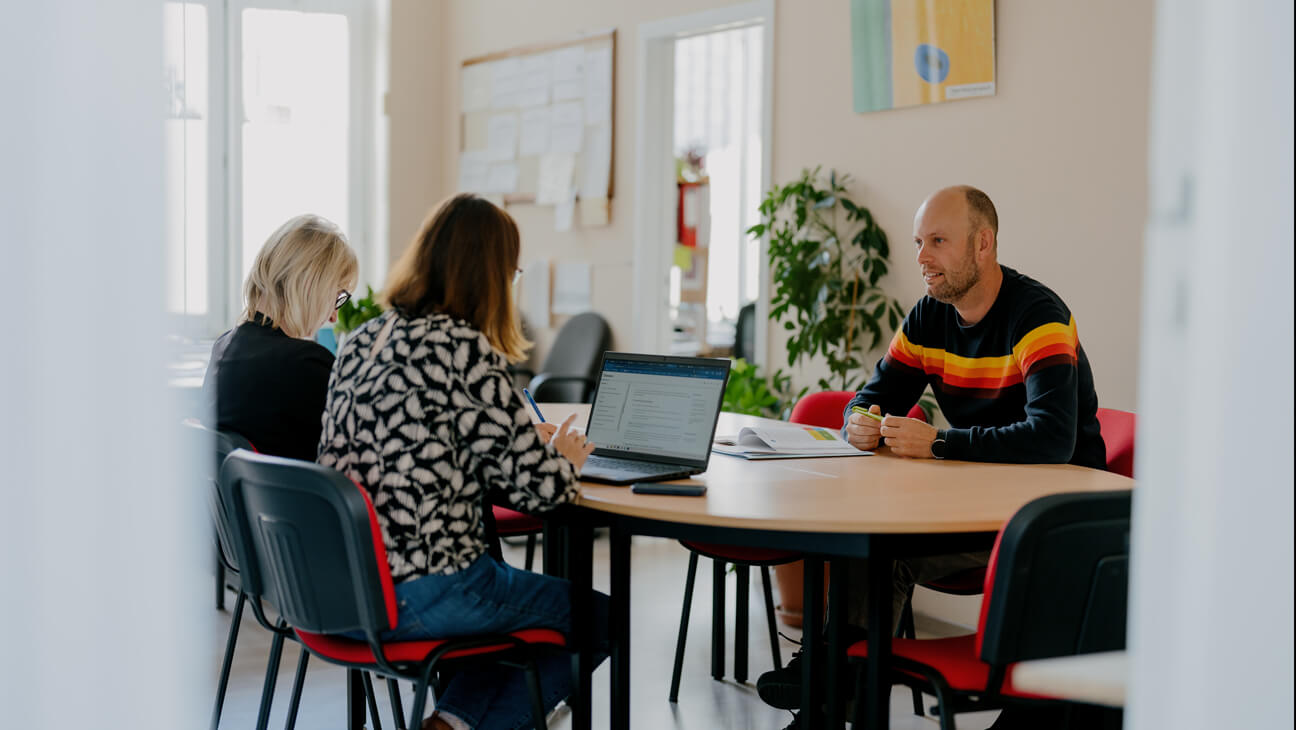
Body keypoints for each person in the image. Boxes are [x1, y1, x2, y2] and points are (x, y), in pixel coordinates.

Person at [757, 186, 1105, 728]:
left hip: (1047, 521)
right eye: (919, 242)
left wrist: (941, 443)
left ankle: (825, 688)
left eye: (938, 241)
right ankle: (827, 689)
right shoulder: (929, 316)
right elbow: (872, 395)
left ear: (983, 244)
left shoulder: (1039, 316)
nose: (921, 257)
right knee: (870, 538)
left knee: (886, 552)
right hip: (981, 506)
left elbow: (1053, 439)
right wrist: (860, 422)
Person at [317, 194, 605, 730]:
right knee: (601, 617)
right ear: (492, 275)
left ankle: (450, 723)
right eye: (512, 272)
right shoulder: (464, 350)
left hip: (345, 585)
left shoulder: (360, 341)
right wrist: (563, 456)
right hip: (425, 592)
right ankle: (460, 724)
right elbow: (544, 492)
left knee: (508, 608)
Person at [202, 214, 358, 460]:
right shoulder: (308, 364)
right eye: (338, 297)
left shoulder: (223, 347)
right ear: (312, 286)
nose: (334, 317)